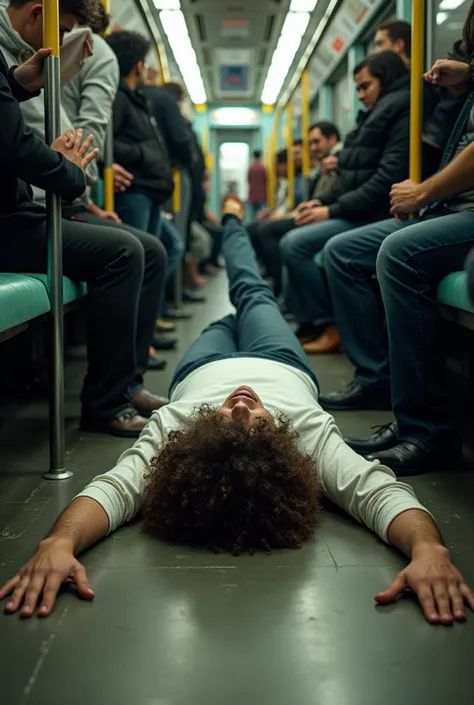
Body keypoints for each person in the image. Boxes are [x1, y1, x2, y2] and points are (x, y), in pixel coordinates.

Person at [1, 195, 474, 627]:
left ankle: (235, 277)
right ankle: (233, 228)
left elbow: (113, 491)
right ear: (282, 444)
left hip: (200, 365)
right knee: (251, 290)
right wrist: (428, 549)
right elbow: (381, 496)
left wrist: (58, 543)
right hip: (277, 357)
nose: (243, 406)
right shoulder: (308, 441)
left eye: (230, 423)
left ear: (201, 441)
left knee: (229, 316)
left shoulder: (177, 433)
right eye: (258, 426)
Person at [0, 0, 168, 437]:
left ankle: (125, 385)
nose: (61, 43)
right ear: (39, 11)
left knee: (151, 251)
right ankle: (104, 403)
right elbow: (16, 144)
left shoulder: (13, 58)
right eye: (62, 29)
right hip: (10, 217)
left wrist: (20, 84)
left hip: (17, 208)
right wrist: (72, 175)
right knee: (125, 253)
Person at [319, 18, 474, 472]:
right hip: (447, 205)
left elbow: (380, 178)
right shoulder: (417, 99)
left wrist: (424, 192)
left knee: (398, 253)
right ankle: (391, 397)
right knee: (342, 249)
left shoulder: (400, 105)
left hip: (451, 205)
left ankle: (425, 428)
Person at [280, 51, 410, 354]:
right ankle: (316, 321)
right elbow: (350, 178)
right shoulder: (371, 117)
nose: (361, 95)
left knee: (297, 244)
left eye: (366, 86)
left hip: (370, 212)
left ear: (386, 80)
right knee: (290, 238)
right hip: (355, 208)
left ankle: (328, 324)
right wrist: (320, 202)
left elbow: (383, 181)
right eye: (358, 89)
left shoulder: (399, 110)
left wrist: (330, 210)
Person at [106, 30, 174, 238]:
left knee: (155, 254)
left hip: (148, 189)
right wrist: (143, 154)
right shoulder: (120, 99)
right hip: (134, 190)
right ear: (138, 66)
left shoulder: (136, 100)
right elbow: (105, 142)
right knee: (142, 255)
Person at [247, 149, 268, 220]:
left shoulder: (251, 168)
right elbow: (266, 181)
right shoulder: (263, 168)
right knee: (262, 216)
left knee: (253, 216)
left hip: (252, 195)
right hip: (262, 195)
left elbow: (248, 180)